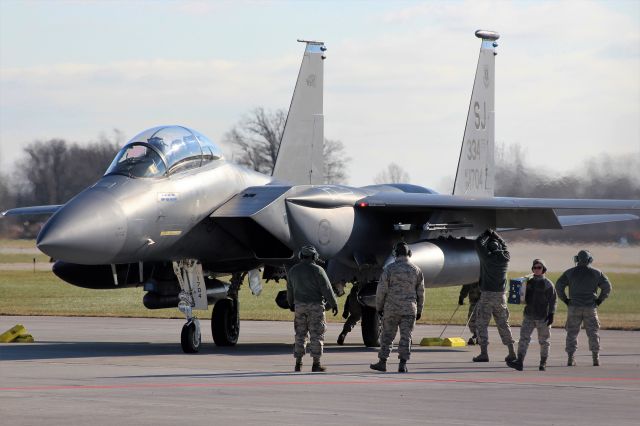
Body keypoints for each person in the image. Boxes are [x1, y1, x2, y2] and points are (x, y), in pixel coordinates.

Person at [370, 242, 425, 373]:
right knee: (406, 336)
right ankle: (402, 364)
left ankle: (382, 363)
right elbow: (421, 293)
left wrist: (379, 307)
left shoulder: (389, 269)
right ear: (409, 254)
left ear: (396, 254)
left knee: (387, 336)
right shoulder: (416, 270)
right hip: (409, 309)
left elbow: (381, 290)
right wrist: (420, 310)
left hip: (392, 309)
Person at [286, 245, 339, 372]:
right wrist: (334, 304)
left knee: (300, 334)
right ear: (314, 256)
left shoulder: (293, 270)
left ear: (301, 256)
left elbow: (290, 289)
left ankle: (298, 363)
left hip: (299, 306)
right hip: (316, 306)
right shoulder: (318, 270)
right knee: (316, 334)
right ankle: (316, 363)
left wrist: (290, 303)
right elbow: (327, 289)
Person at [556, 250, 612, 367]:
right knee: (593, 333)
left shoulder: (570, 272)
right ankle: (595, 358)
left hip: (574, 307)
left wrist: (566, 300)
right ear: (590, 260)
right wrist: (599, 300)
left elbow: (559, 286)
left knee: (572, 333)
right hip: (590, 307)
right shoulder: (597, 273)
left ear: (577, 259)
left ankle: (570, 358)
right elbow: (607, 287)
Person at [473, 229, 516, 363]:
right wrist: (495, 235)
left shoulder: (487, 257)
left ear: (490, 248)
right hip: (501, 297)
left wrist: (486, 233)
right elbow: (505, 245)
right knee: (503, 324)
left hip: (487, 296)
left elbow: (478, 243)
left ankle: (484, 353)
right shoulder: (506, 258)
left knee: (482, 325)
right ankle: (511, 352)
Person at [507, 259, 557, 371]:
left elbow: (553, 300)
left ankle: (543, 362)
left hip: (543, 317)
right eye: (535, 267)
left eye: (539, 267)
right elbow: (521, 295)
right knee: (523, 339)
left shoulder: (548, 284)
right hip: (529, 315)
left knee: (544, 341)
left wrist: (551, 314)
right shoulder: (528, 282)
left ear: (543, 269)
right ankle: (519, 362)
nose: (536, 269)